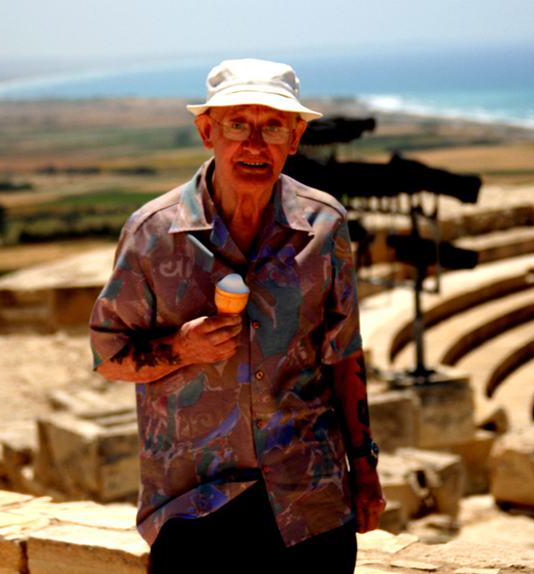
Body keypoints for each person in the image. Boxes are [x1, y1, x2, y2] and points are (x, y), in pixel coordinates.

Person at [90, 58, 385, 573]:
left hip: (311, 504)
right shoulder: (153, 235)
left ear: (295, 139)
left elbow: (344, 357)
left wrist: (364, 471)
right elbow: (108, 355)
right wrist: (182, 347)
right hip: (196, 508)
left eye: (273, 126)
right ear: (207, 132)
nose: (255, 145)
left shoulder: (325, 225)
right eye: (237, 125)